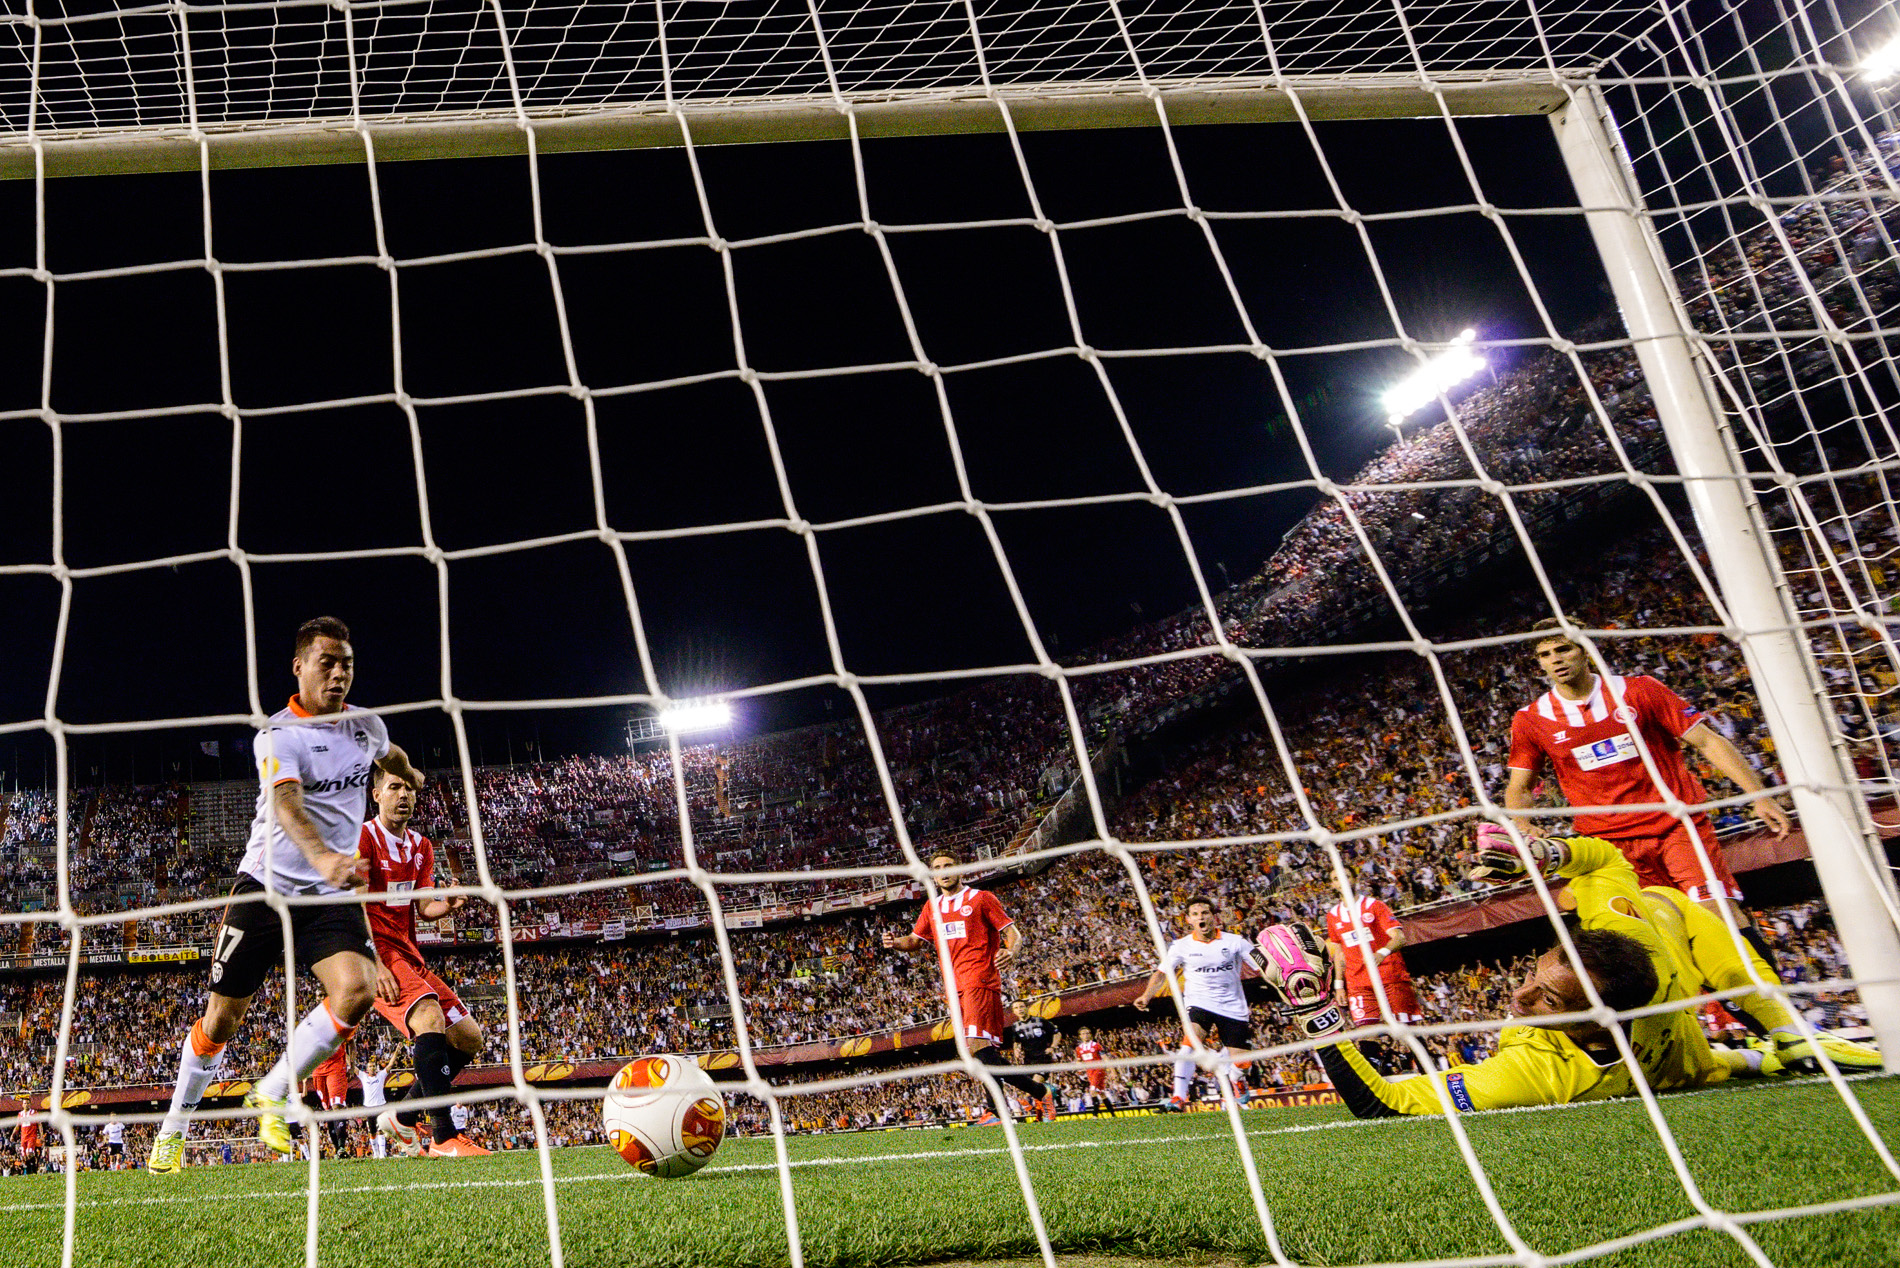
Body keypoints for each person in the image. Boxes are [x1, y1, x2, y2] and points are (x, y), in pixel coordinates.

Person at [1264, 831, 1880, 1118]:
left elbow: (1385, 1106)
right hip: (1682, 986)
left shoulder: (1536, 1074)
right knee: (1688, 912)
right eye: (1538, 973)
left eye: (1544, 999)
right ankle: (1783, 1032)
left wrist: (1313, 1014)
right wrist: (1546, 854)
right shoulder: (1631, 935)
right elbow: (1606, 856)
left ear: (1591, 1030)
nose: (1520, 993)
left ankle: (1771, 1045)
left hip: (1689, 1059)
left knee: (1720, 1057)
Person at [148, 616, 426, 1174]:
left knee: (356, 990)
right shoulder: (278, 735)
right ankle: (173, 1128)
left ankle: (271, 1091)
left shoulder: (364, 725)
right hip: (266, 888)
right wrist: (325, 856)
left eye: (347, 662)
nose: (340, 673)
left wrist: (409, 772)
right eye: (328, 662)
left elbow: (388, 755)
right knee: (221, 1022)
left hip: (326, 896)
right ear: (299, 667)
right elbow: (287, 804)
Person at [1504, 617, 1789, 962]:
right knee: (1660, 938)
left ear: (1585, 650)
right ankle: (1716, 1011)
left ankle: (1772, 1006)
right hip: (1610, 846)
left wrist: (1758, 795)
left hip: (1676, 825)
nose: (1556, 659)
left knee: (1718, 915)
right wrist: (1524, 824)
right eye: (1546, 654)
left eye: (1563, 649)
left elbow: (1706, 741)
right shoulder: (1531, 719)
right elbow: (1519, 787)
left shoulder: (1639, 691)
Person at [358, 768, 488, 1158]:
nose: (404, 795)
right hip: (375, 952)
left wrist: (445, 905)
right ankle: (443, 1136)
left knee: (468, 1038)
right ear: (377, 794)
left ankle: (401, 1115)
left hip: (408, 953)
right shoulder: (363, 838)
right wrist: (375, 962)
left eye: (410, 789)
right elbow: (351, 903)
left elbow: (423, 906)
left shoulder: (421, 846)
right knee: (428, 1017)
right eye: (395, 787)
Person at [882, 852, 1054, 1113]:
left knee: (975, 1045)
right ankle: (1024, 1098)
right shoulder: (932, 907)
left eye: (948, 865)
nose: (943, 871)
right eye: (937, 867)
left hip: (979, 977)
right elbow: (915, 941)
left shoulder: (981, 898)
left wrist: (1011, 950)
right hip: (955, 987)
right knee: (978, 1050)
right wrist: (896, 943)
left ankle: (1011, 1104)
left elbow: (1012, 933)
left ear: (960, 869)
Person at [1134, 896, 1267, 1110]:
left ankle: (1236, 1081)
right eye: (1195, 914)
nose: (1200, 917)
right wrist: (1146, 995)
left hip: (1232, 1006)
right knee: (1190, 1043)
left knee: (1242, 1063)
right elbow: (1161, 973)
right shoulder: (1181, 946)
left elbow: (1263, 964)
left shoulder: (1235, 942)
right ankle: (1178, 1097)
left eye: (1204, 913)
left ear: (1214, 917)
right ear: (1188, 920)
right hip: (1199, 1002)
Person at [1323, 891, 1423, 1030]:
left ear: (1354, 879)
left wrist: (1381, 953)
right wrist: (1339, 985)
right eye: (1335, 879)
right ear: (1333, 885)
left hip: (1389, 976)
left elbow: (1399, 937)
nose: (1341, 880)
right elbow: (1339, 953)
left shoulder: (1375, 905)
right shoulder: (1333, 915)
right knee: (1366, 1034)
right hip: (1358, 982)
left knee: (1406, 1030)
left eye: (1346, 875)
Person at [1003, 999, 1058, 1121]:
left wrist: (1053, 1047)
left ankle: (1048, 1109)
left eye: (1021, 1006)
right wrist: (1016, 1050)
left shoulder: (1039, 1021)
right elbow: (1016, 1042)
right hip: (1029, 1060)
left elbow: (1057, 1033)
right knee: (1033, 1089)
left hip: (1043, 1057)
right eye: (1016, 1008)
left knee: (1035, 1085)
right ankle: (1039, 1116)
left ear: (1026, 1008)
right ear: (1014, 1011)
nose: (1020, 1009)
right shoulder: (1015, 1027)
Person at [358, 1053, 395, 1159]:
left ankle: (382, 1154)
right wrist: (345, 1054)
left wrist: (396, 1051)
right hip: (369, 1107)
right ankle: (375, 1153)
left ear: (376, 1067)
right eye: (370, 1066)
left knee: (381, 1130)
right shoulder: (363, 1076)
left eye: (374, 1066)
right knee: (372, 1131)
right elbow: (354, 1068)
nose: (372, 1068)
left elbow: (391, 1064)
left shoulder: (381, 1075)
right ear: (367, 1069)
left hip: (380, 1106)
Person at [1073, 1025, 1110, 1114]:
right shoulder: (1079, 1049)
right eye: (1083, 1034)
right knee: (1101, 1093)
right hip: (1089, 1072)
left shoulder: (1096, 1045)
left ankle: (1095, 1114)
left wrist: (1111, 1070)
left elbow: (1105, 1058)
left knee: (1092, 1091)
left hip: (1098, 1070)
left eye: (1087, 1033)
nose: (1086, 1035)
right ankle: (1112, 1113)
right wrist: (1079, 1068)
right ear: (1080, 1036)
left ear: (1090, 1035)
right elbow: (1078, 1060)